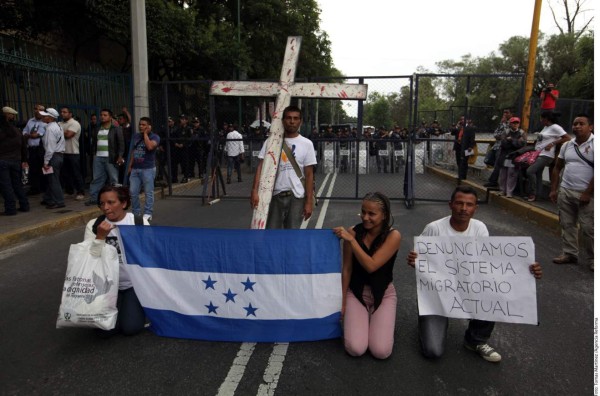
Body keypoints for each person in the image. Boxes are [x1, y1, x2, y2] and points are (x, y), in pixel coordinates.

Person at [406, 185, 543, 362]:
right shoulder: (434, 228)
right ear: (450, 205)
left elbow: (489, 263)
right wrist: (414, 261)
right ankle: (427, 321)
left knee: (493, 291)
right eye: (459, 203)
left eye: (469, 205)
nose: (464, 209)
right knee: (433, 351)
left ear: (475, 208)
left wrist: (526, 270)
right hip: (437, 293)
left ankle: (475, 340)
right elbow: (418, 258)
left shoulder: (480, 228)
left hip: (467, 287)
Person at [333, 192, 401, 359]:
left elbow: (371, 266)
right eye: (363, 212)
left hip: (383, 293)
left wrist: (351, 241)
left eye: (372, 214)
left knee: (381, 351)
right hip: (356, 292)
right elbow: (347, 269)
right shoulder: (354, 232)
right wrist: (342, 302)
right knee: (356, 348)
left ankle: (375, 319)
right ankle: (361, 318)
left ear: (384, 215)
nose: (365, 217)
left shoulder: (394, 236)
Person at [83, 185, 149, 336]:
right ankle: (118, 306)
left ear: (124, 203)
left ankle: (136, 307)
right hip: (105, 285)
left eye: (111, 202)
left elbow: (149, 257)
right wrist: (100, 237)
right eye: (102, 203)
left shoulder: (139, 223)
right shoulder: (94, 225)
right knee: (104, 332)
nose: (105, 207)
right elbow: (89, 259)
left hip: (133, 284)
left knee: (130, 328)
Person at [250, 105, 316, 229]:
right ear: (283, 120)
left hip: (296, 197)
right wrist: (254, 190)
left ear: (300, 121)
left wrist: (308, 202)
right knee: (271, 234)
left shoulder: (307, 144)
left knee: (292, 237)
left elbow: (309, 174)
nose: (292, 121)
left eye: (296, 118)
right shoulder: (271, 142)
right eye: (289, 118)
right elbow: (260, 168)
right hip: (274, 195)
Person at [549, 114, 594, 270]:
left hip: (588, 195)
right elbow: (557, 167)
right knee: (567, 224)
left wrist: (588, 193)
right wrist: (554, 189)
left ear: (591, 127)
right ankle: (569, 253)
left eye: (582, 123)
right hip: (566, 191)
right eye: (575, 124)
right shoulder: (567, 145)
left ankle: (594, 259)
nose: (577, 126)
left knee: (589, 229)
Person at [525, 111, 570, 202]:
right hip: (538, 153)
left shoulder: (556, 127)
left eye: (541, 118)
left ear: (546, 119)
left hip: (546, 155)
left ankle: (532, 193)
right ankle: (538, 195)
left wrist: (552, 143)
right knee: (538, 175)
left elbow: (567, 137)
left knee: (530, 171)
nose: (540, 120)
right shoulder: (546, 127)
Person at [85, 109, 125, 206]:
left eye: (105, 115)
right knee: (97, 178)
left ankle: (115, 198)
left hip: (110, 157)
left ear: (110, 117)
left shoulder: (116, 128)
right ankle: (94, 198)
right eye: (101, 115)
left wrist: (120, 156)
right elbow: (94, 142)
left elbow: (121, 144)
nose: (102, 117)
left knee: (113, 179)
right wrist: (94, 154)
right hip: (98, 157)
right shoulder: (97, 128)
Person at [128, 117, 160, 223]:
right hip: (135, 169)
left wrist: (145, 134)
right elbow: (134, 151)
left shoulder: (155, 137)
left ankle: (148, 213)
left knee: (148, 192)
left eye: (144, 125)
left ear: (149, 126)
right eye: (140, 124)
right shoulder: (136, 136)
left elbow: (150, 147)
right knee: (133, 192)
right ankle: (136, 213)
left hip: (148, 169)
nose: (141, 126)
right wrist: (130, 165)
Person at [0, 112, 29, 215]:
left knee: (6, 186)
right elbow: (23, 147)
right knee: (17, 184)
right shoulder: (17, 131)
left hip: (3, 161)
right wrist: (24, 160)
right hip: (16, 161)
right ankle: (24, 205)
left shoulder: (2, 132)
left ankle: (10, 209)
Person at [40, 108, 66, 209]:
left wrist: (46, 162)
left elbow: (50, 148)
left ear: (50, 118)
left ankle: (59, 201)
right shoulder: (57, 126)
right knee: (52, 179)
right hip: (58, 156)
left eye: (44, 115)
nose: (42, 117)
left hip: (53, 156)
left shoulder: (50, 129)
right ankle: (48, 198)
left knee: (53, 180)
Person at [59, 106, 85, 200]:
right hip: (62, 152)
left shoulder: (75, 123)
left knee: (76, 173)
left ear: (70, 114)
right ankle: (69, 191)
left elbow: (69, 135)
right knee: (65, 173)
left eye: (65, 112)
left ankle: (80, 191)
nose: (62, 113)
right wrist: (64, 132)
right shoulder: (60, 123)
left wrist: (60, 132)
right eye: (61, 112)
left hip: (73, 152)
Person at [497, 117, 525, 198]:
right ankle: (502, 190)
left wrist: (511, 140)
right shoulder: (505, 132)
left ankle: (509, 192)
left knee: (512, 174)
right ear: (510, 124)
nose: (515, 124)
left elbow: (522, 145)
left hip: (515, 156)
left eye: (517, 123)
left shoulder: (522, 132)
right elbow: (504, 144)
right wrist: (516, 141)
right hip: (505, 155)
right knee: (503, 174)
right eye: (513, 123)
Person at [22, 104, 47, 195]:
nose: (37, 111)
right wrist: (29, 135)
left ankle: (44, 188)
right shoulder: (30, 121)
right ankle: (35, 188)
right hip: (31, 149)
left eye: (39, 109)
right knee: (33, 169)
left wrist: (29, 135)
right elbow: (24, 131)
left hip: (41, 149)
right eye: (35, 109)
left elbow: (37, 135)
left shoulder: (45, 122)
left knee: (43, 169)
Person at [484, 109, 512, 188]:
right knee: (488, 160)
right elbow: (495, 133)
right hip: (496, 146)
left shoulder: (512, 123)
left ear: (511, 114)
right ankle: (494, 180)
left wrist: (501, 135)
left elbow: (506, 133)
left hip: (502, 147)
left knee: (497, 164)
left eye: (507, 113)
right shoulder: (501, 123)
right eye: (504, 113)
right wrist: (500, 134)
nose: (505, 114)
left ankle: (493, 181)